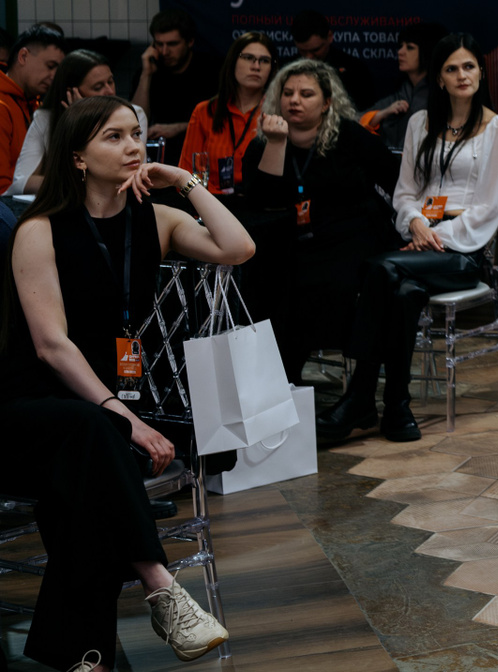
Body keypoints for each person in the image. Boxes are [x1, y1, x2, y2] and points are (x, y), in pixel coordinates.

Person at [0, 94, 255, 670]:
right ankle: (159, 582)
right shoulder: (39, 229)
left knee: (85, 485)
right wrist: (125, 416)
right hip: (30, 404)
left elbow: (238, 248)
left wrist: (183, 180)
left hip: (105, 415)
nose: (133, 146)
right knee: (94, 434)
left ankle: (87, 659)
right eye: (113, 137)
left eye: (135, 134)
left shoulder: (156, 219)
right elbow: (50, 346)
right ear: (78, 157)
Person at [319, 34, 498, 444]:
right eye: (451, 69)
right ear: (439, 78)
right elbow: (405, 193)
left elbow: (488, 208)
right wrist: (416, 226)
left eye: (469, 66)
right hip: (416, 246)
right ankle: (396, 406)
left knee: (380, 268)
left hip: (464, 251)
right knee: (404, 292)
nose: (462, 75)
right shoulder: (419, 123)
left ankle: (359, 397)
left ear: (481, 72)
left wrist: (434, 236)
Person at [240, 60, 400, 385]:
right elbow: (262, 200)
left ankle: (322, 378)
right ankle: (277, 378)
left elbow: (397, 180)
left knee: (323, 282)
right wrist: (277, 143)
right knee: (267, 278)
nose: (294, 100)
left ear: (327, 102)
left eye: (306, 94)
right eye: (287, 93)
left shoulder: (350, 136)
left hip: (351, 236)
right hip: (291, 239)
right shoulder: (264, 142)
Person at [7, 49, 152, 195]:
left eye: (110, 81)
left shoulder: (133, 114)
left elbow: (135, 176)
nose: (109, 91)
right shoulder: (45, 118)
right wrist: (77, 121)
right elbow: (20, 183)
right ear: (71, 93)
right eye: (98, 87)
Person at [180, 34, 273, 195]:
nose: (256, 66)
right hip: (210, 202)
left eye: (264, 60)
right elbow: (185, 175)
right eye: (248, 58)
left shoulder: (277, 114)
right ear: (233, 62)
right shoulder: (205, 111)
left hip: (259, 203)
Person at [131, 11, 223, 163]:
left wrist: (180, 128)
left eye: (172, 44)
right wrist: (146, 75)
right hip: (162, 156)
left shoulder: (212, 70)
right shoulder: (149, 71)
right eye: (159, 44)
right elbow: (136, 120)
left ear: (190, 42)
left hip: (203, 151)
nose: (165, 51)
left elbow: (224, 121)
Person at [362, 21, 449, 151]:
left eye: (410, 47)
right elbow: (356, 120)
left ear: (427, 51)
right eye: (401, 46)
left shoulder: (440, 94)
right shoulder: (401, 92)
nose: (400, 52)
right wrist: (382, 114)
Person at [0, 25, 67, 189]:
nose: (54, 77)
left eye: (58, 70)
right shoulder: (2, 106)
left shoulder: (36, 105)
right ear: (23, 56)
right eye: (50, 66)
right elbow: (2, 187)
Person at [291, 10, 377, 107]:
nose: (309, 57)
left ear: (329, 37)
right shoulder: (287, 69)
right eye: (302, 51)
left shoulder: (354, 69)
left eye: (315, 50)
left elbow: (366, 111)